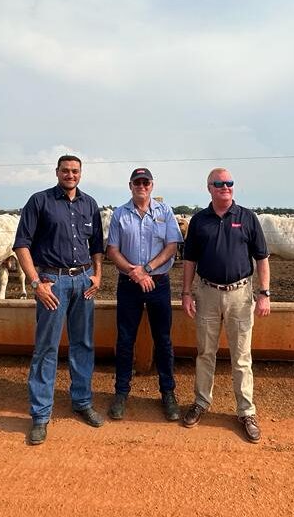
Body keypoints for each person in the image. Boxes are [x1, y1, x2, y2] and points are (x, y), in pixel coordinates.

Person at [14, 155, 105, 446]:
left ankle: (82, 401)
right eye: (65, 170)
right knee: (46, 347)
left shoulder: (89, 203)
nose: (70, 175)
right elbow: (21, 244)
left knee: (83, 344)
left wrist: (98, 276)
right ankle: (40, 415)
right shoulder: (39, 202)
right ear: (57, 172)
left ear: (81, 174)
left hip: (84, 282)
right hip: (53, 284)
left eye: (75, 171)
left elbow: (97, 246)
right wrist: (36, 283)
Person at [180, 167, 271, 443]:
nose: (225, 187)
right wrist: (186, 292)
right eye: (219, 183)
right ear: (209, 188)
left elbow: (262, 258)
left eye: (229, 183)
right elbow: (189, 261)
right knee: (205, 352)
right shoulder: (199, 221)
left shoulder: (247, 218)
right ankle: (201, 402)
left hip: (240, 294)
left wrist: (264, 293)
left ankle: (246, 411)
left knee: (242, 356)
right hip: (207, 293)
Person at [105, 167, 184, 421]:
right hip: (129, 284)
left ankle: (168, 393)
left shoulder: (165, 212)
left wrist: (148, 269)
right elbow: (112, 250)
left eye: (146, 182)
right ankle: (121, 393)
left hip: (158, 283)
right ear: (130, 185)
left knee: (164, 339)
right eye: (137, 182)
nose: (142, 186)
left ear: (152, 185)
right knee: (125, 339)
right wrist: (134, 272)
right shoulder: (120, 214)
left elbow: (172, 246)